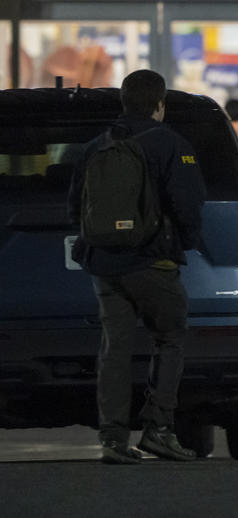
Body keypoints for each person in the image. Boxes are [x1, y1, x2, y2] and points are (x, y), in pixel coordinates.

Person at [69, 69, 206, 464]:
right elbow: (188, 205)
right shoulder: (171, 144)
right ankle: (158, 429)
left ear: (124, 102)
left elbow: (74, 206)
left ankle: (112, 439)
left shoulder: (96, 146)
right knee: (170, 337)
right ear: (159, 104)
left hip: (105, 265)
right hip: (151, 262)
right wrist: (185, 242)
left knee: (114, 349)